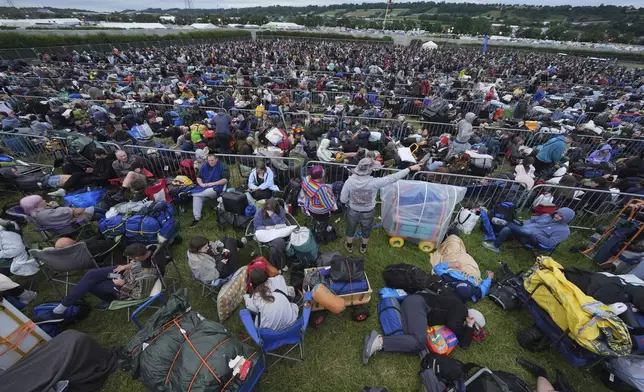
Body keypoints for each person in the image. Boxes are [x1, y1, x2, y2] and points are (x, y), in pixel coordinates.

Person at [34, 243, 158, 318]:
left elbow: (141, 294)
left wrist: (123, 284)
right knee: (92, 274)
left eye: (132, 258)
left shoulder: (147, 275)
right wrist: (127, 265)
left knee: (93, 285)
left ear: (138, 257)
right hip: (123, 275)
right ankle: (64, 305)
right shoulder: (149, 249)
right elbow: (136, 261)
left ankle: (109, 300)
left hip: (125, 284)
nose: (131, 259)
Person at [362, 293, 484, 365]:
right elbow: (453, 324)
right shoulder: (461, 309)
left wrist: (467, 327)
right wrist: (468, 326)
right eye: (474, 327)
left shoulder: (459, 317)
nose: (473, 330)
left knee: (418, 343)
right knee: (419, 342)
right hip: (418, 303)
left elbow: (464, 345)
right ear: (471, 317)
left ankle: (380, 342)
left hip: (417, 307)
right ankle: (379, 341)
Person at [341, 158, 421, 253]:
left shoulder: (349, 182)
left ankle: (349, 245)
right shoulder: (375, 182)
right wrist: (409, 169)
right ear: (370, 170)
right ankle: (363, 247)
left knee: (350, 228)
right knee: (366, 229)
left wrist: (349, 202)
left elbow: (343, 199)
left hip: (353, 210)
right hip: (368, 211)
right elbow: (394, 177)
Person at [482, 207, 575, 252]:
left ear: (566, 219)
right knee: (507, 229)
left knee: (529, 231)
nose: (557, 216)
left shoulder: (564, 231)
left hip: (533, 239)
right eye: (557, 213)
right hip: (523, 230)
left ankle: (506, 222)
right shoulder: (547, 216)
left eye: (560, 216)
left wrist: (536, 234)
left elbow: (550, 243)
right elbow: (532, 220)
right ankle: (495, 246)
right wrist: (524, 224)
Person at [190, 154, 229, 228]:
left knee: (196, 194)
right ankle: (196, 218)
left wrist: (212, 183)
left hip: (217, 187)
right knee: (197, 197)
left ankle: (190, 194)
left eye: (212, 160)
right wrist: (201, 184)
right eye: (209, 160)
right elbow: (198, 177)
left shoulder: (223, 166)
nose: (210, 162)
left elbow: (225, 180)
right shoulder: (205, 166)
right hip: (204, 186)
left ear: (216, 159)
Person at [19, 195, 106, 228]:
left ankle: (111, 220)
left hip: (65, 222)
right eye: (42, 200)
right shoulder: (43, 214)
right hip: (70, 225)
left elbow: (60, 213)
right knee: (96, 212)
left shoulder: (38, 213)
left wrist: (56, 207)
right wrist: (57, 206)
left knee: (97, 212)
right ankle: (110, 225)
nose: (45, 200)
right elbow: (70, 212)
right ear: (36, 205)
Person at [254, 198, 289, 270]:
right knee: (278, 245)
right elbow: (257, 226)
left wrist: (273, 216)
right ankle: (281, 265)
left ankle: (275, 267)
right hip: (265, 232)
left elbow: (282, 223)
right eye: (268, 210)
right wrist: (265, 227)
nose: (269, 212)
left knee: (276, 247)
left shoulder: (280, 209)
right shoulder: (260, 212)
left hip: (277, 232)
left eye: (272, 210)